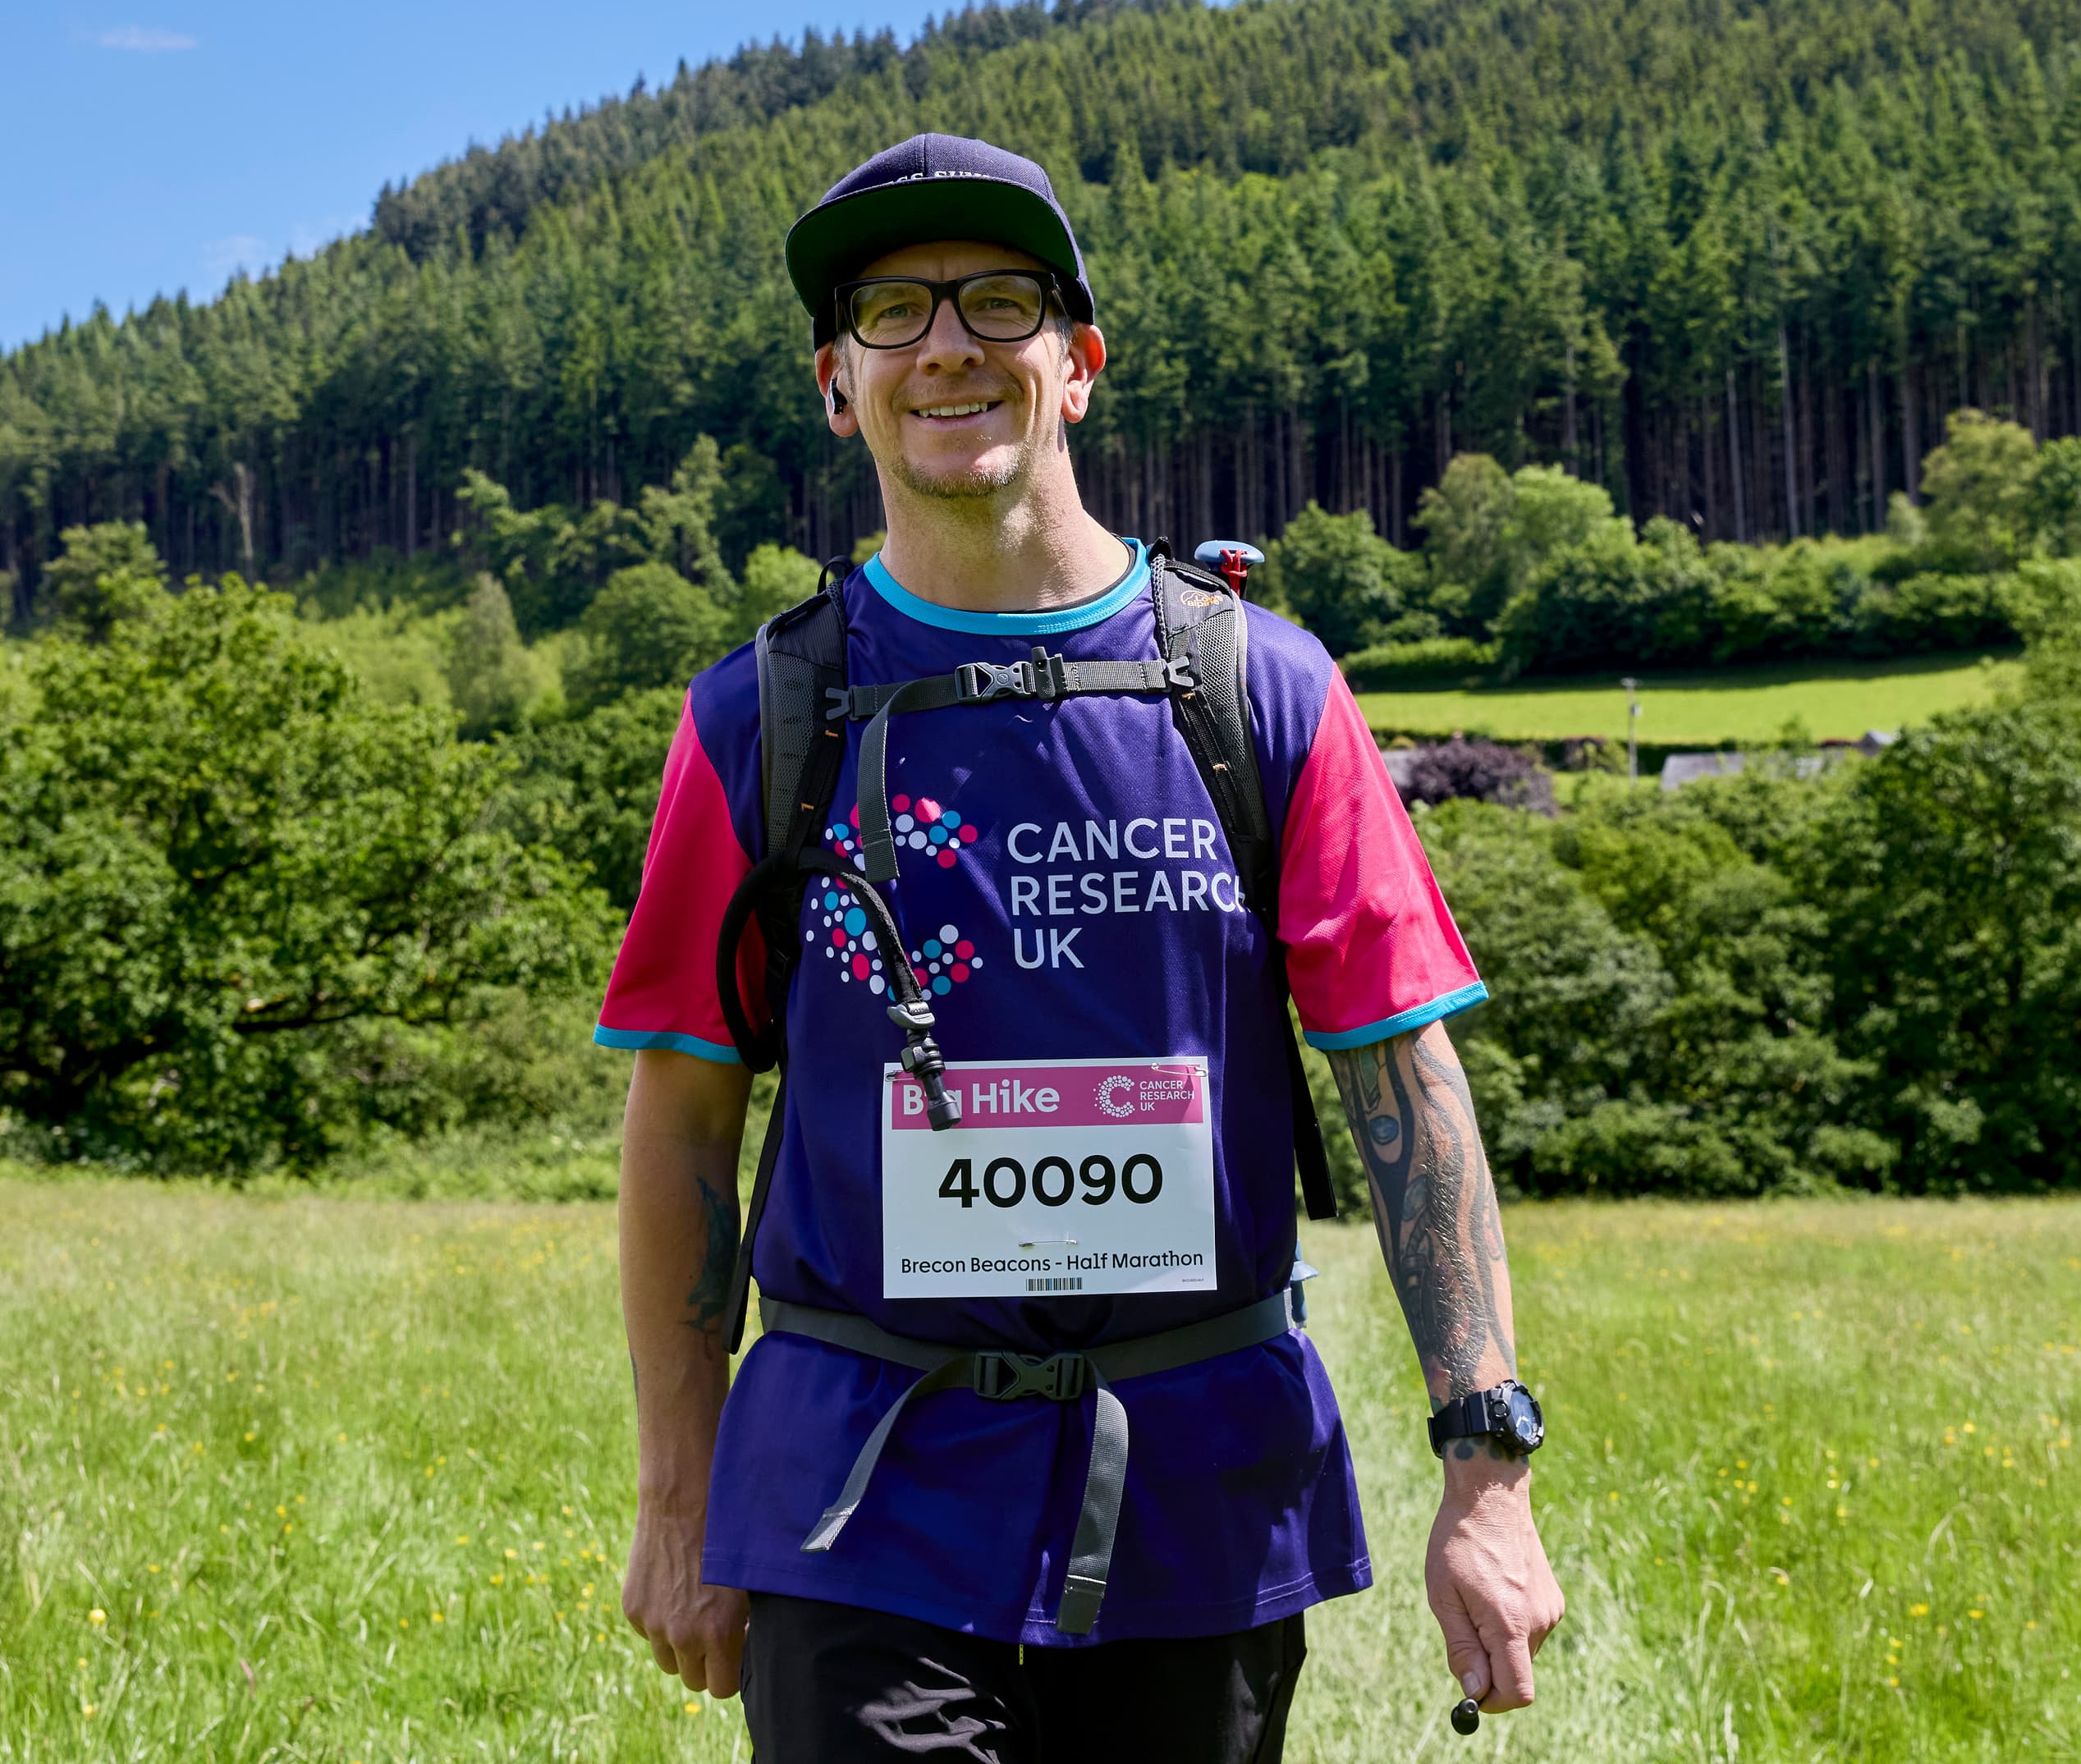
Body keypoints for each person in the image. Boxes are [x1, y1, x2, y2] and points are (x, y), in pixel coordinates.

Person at [598, 131, 1562, 1763]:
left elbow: (1404, 1076)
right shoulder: (757, 718)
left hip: (1197, 1503)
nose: (950, 343)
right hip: (857, 1500)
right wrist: (677, 1489)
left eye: (998, 299)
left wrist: (1489, 1469)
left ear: (1081, 363)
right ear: (839, 385)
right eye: (893, 312)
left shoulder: (1263, 690)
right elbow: (683, 1116)